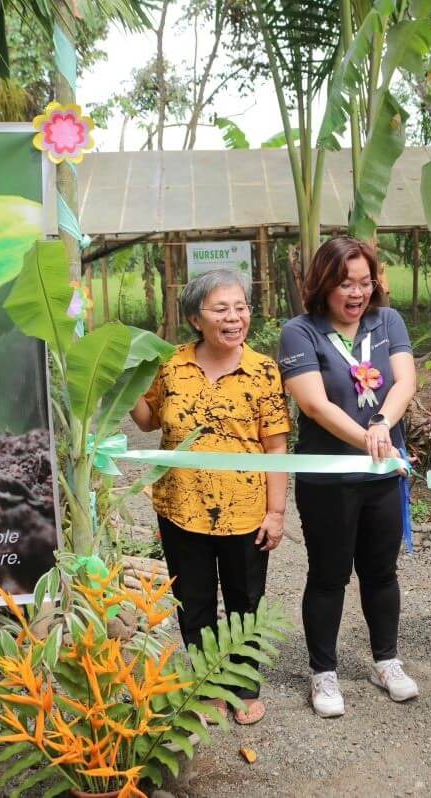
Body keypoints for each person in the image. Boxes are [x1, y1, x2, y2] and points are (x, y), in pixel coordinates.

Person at [131, 268, 289, 725]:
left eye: (240, 307)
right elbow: (146, 420)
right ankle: (206, 686)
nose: (234, 317)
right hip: (181, 507)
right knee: (194, 602)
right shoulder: (171, 365)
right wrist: (120, 385)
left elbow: (276, 445)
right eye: (221, 309)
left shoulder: (262, 370)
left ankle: (244, 686)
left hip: (245, 510)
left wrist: (276, 512)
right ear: (196, 318)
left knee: (245, 600)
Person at [279, 236, 418, 719]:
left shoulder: (388, 322)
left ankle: (387, 661)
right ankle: (323, 673)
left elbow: (404, 382)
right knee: (329, 575)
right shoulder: (300, 332)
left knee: (381, 571)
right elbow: (314, 405)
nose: (356, 293)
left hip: (382, 477)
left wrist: (382, 428)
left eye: (364, 282)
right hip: (328, 481)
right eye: (344, 283)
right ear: (323, 284)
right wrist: (368, 440)